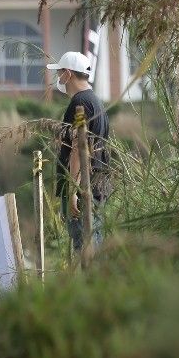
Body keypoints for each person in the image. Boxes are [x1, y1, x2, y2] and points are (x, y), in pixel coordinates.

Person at [48, 51, 110, 254]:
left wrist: (73, 190)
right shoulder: (95, 101)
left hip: (84, 187)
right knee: (94, 244)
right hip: (97, 185)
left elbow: (78, 147)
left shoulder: (80, 104)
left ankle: (91, 285)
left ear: (68, 74)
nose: (59, 79)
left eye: (59, 73)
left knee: (84, 248)